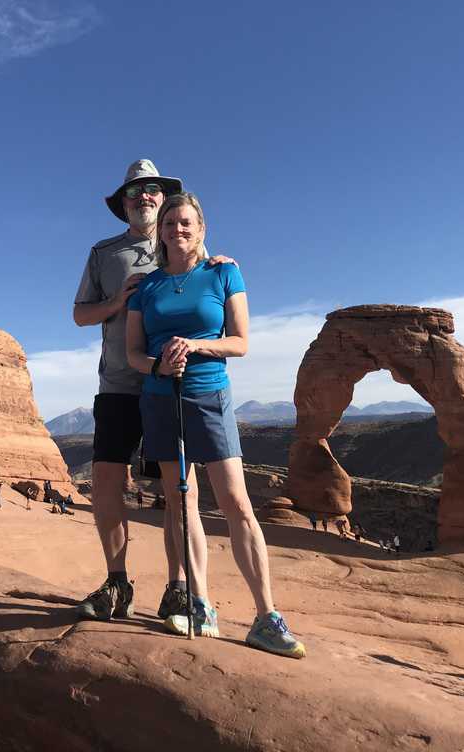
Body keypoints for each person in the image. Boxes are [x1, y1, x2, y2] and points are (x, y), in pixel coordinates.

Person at [126, 191, 305, 659]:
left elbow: (241, 343)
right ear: (160, 233)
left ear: (201, 229)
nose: (176, 230)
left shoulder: (224, 272)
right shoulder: (147, 287)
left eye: (185, 223)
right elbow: (132, 355)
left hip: (210, 394)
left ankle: (266, 616)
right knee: (181, 503)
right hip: (162, 399)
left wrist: (196, 347)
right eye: (169, 224)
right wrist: (159, 366)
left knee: (237, 503)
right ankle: (201, 603)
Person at [73, 159, 232, 625]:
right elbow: (80, 315)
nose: (144, 196)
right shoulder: (103, 254)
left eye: (152, 191)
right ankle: (117, 582)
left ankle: (178, 589)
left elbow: (214, 289)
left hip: (173, 387)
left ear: (164, 201)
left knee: (177, 489)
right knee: (106, 481)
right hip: (120, 382)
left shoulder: (188, 247)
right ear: (123, 203)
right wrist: (118, 301)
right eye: (134, 191)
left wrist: (222, 260)